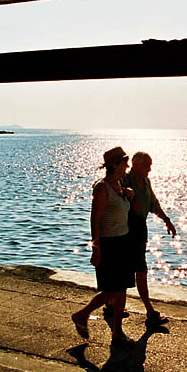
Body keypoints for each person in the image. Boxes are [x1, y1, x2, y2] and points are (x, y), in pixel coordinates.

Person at [71, 147, 135, 346]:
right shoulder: (102, 188)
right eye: (125, 162)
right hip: (109, 244)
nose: (128, 165)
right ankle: (82, 314)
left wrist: (129, 196)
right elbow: (95, 219)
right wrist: (96, 248)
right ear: (114, 165)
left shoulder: (119, 185)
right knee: (112, 291)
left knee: (122, 289)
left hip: (123, 241)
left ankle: (117, 333)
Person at [122, 151, 177, 328]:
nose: (150, 169)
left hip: (140, 227)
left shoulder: (145, 181)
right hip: (127, 228)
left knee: (132, 268)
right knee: (139, 269)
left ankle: (111, 305)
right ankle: (150, 312)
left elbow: (153, 203)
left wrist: (167, 220)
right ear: (136, 165)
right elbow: (107, 190)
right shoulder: (125, 179)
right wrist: (125, 193)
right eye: (148, 166)